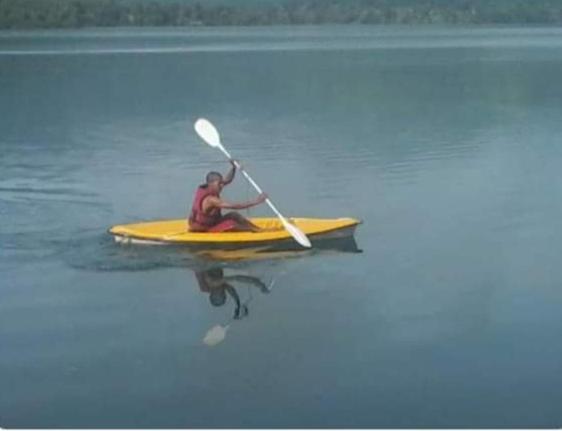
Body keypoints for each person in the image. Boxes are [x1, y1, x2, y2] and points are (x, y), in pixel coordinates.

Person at [188, 159, 268, 232]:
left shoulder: (212, 187)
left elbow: (228, 180)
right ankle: (252, 230)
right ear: (211, 184)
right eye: (219, 184)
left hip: (212, 222)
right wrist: (257, 201)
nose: (222, 186)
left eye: (222, 183)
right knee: (231, 224)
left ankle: (258, 229)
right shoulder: (211, 200)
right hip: (202, 228)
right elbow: (234, 206)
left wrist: (233, 168)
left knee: (234, 215)